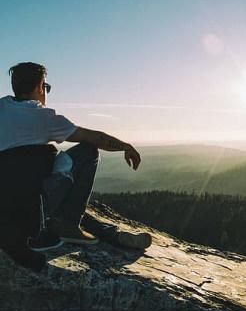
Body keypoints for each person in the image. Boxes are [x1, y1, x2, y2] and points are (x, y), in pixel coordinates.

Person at [1, 62, 151, 256]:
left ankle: (114, 235)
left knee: (55, 210)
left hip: (8, 204)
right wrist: (124, 146)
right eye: (46, 87)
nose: (45, 92)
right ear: (39, 87)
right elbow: (93, 139)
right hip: (34, 202)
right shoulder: (44, 118)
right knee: (88, 152)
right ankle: (80, 228)